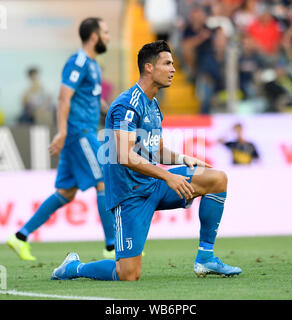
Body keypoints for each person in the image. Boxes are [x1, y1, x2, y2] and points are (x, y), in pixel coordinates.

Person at [50, 40, 241, 281]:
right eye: (168, 63)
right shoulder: (126, 105)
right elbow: (124, 155)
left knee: (216, 179)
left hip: (155, 185)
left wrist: (183, 158)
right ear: (149, 67)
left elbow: (156, 149)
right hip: (129, 195)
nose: (173, 69)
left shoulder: (153, 104)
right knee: (128, 274)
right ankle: (73, 268)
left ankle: (205, 258)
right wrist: (168, 175)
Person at [7, 17, 115, 261]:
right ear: (94, 36)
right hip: (80, 134)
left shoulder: (94, 65)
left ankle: (20, 236)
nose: (109, 37)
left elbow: (93, 100)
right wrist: (63, 131)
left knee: (66, 193)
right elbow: (63, 97)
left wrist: (112, 115)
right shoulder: (77, 62)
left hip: (79, 134)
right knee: (104, 181)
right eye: (106, 32)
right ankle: (111, 248)